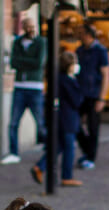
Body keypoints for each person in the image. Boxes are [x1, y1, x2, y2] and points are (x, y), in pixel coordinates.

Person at [31, 51, 83, 187]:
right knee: (69, 147)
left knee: (58, 146)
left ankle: (40, 167)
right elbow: (77, 100)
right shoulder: (67, 80)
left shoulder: (57, 78)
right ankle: (67, 176)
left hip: (61, 117)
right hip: (67, 118)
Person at [0, 16, 47, 165]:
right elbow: (13, 63)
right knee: (13, 122)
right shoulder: (18, 42)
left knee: (40, 122)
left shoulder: (41, 42)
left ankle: (49, 148)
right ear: (23, 27)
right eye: (28, 26)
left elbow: (38, 63)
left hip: (35, 87)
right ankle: (13, 152)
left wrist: (22, 61)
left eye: (33, 26)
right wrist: (26, 62)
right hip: (19, 86)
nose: (31, 29)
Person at [75, 22, 109, 170]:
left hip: (94, 94)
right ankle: (87, 150)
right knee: (75, 123)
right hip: (80, 93)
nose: (78, 35)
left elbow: (106, 74)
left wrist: (102, 98)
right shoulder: (79, 50)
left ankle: (91, 157)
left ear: (88, 35)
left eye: (81, 33)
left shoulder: (101, 51)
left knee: (93, 127)